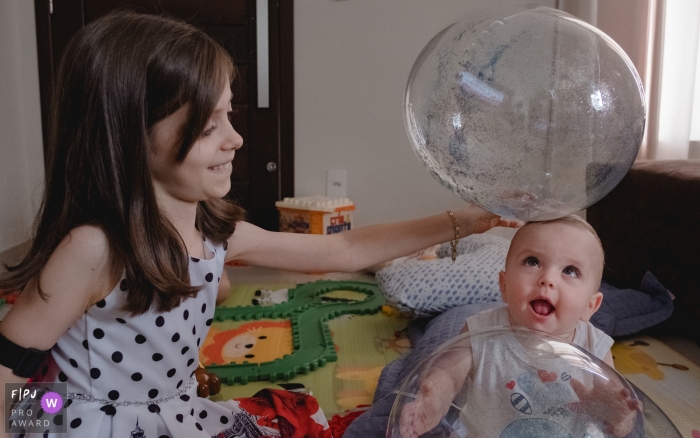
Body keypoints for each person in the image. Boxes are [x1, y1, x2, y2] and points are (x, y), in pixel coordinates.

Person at [0, 11, 519, 438]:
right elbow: (12, 365)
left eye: (231, 115)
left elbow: (343, 253)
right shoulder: (95, 248)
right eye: (209, 126)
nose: (235, 140)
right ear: (130, 136)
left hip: (174, 414)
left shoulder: (213, 231)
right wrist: (29, 427)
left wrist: (464, 222)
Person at [399, 216, 642, 438]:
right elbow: (450, 374)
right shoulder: (483, 329)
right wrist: (435, 396)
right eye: (532, 261)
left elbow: (617, 420)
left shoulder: (595, 346)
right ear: (503, 285)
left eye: (570, 270)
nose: (547, 279)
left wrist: (615, 416)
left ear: (591, 305)